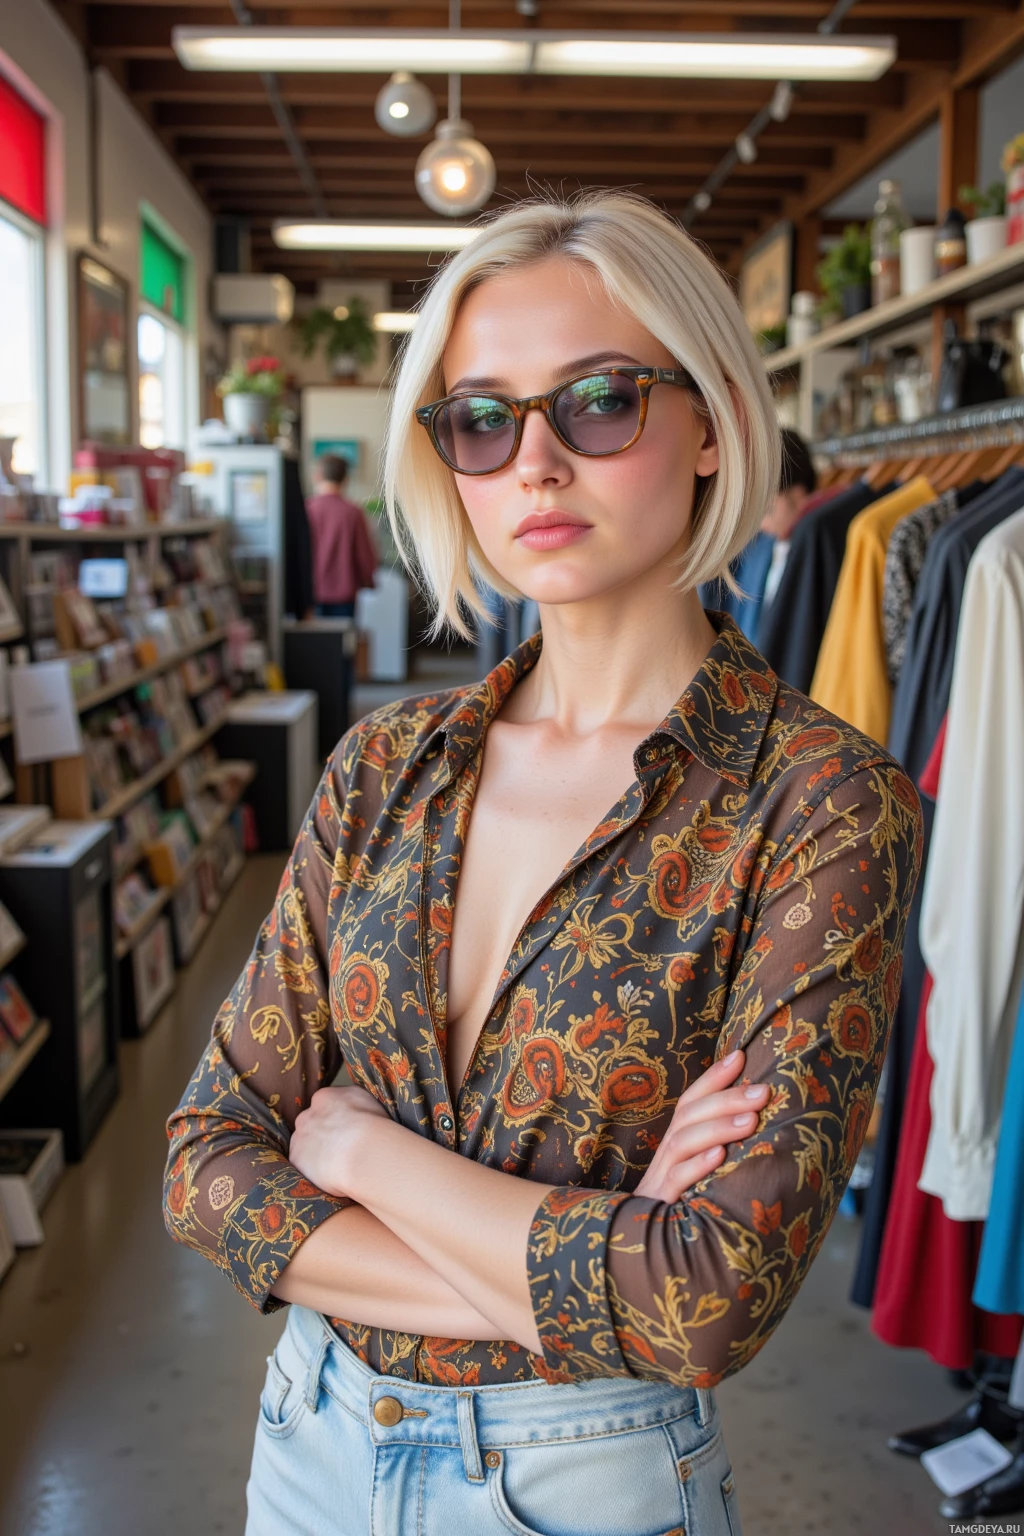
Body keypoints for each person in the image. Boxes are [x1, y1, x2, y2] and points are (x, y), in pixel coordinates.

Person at [164, 192, 922, 1536]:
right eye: (481, 417)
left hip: (588, 1475)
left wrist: (355, 1149)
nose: (535, 466)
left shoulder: (820, 802)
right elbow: (208, 1168)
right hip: (307, 1441)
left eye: (599, 402)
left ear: (713, 426)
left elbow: (710, 1298)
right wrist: (608, 1236)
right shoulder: (384, 766)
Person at [304, 452, 378, 617]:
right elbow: (365, 555)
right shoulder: (353, 512)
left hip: (311, 593)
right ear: (346, 479)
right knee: (343, 641)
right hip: (345, 595)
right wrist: (369, 581)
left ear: (317, 476)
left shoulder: (306, 510)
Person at [760, 427, 819, 607]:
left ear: (798, 495)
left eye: (767, 510)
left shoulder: (816, 551)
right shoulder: (768, 546)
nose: (760, 524)